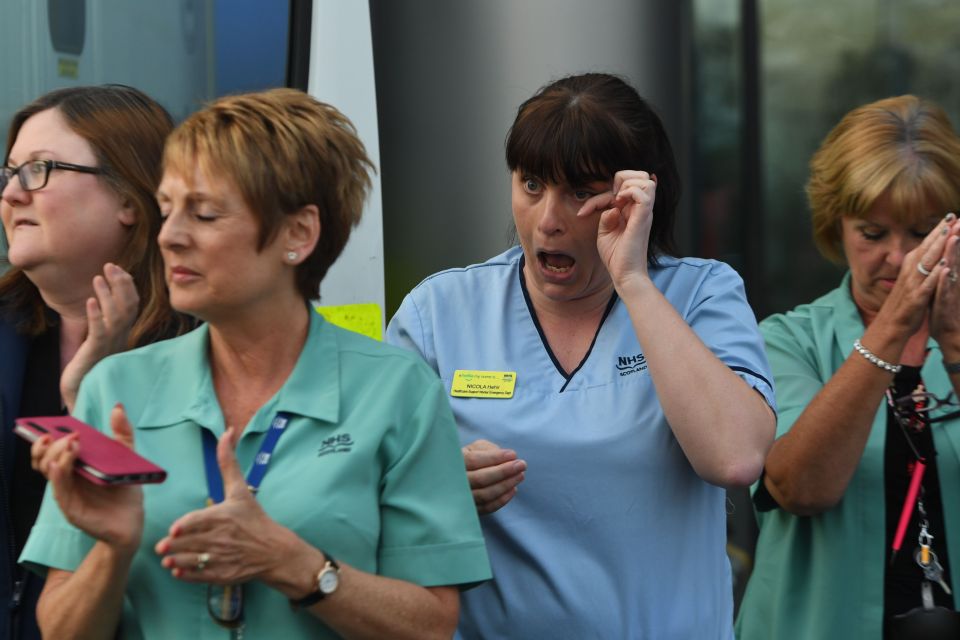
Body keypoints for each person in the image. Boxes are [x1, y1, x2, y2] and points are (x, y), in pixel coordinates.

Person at [21, 88, 490, 639]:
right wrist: (114, 546)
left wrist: (292, 564)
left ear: (298, 233)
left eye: (204, 213)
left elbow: (432, 626)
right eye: (167, 210)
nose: (170, 237)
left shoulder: (398, 392)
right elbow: (59, 631)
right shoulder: (114, 388)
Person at [386, 72, 777, 638]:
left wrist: (634, 281)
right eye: (532, 184)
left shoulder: (701, 294)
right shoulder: (439, 310)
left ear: (636, 194)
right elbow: (371, 493)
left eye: (579, 192)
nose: (548, 219)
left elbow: (736, 459)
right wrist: (434, 486)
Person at [735, 95, 960, 639]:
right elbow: (800, 487)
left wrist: (953, 344)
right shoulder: (787, 339)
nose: (901, 259)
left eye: (922, 231)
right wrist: (892, 330)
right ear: (837, 226)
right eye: (874, 233)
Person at [0, 85, 188, 640]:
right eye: (9, 173)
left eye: (39, 170)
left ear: (130, 198)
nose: (11, 194)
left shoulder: (207, 344)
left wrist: (98, 393)